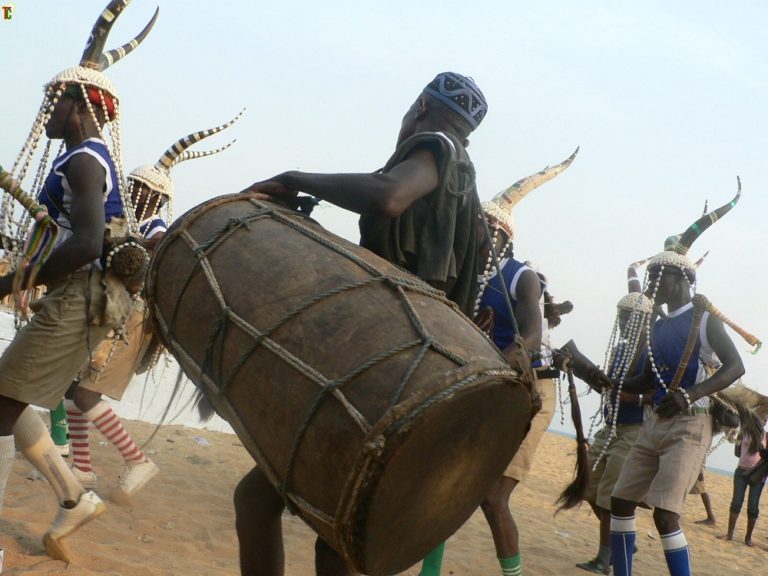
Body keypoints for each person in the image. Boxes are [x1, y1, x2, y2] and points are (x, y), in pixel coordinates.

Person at [238, 71, 488, 576]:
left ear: (420, 106)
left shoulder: (435, 146)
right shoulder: (467, 183)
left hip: (385, 364)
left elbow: (389, 195)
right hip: (412, 363)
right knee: (332, 539)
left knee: (271, 507)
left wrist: (296, 179)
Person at [0, 0, 156, 563]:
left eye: (55, 100)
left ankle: (73, 496)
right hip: (82, 300)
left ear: (82, 103)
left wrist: (12, 281)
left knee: (0, 401)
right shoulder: (84, 160)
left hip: (80, 298)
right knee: (6, 398)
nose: (47, 112)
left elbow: (88, 244)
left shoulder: (85, 161)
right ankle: (72, 495)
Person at [64, 112, 242, 501]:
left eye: (144, 189)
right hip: (107, 312)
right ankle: (82, 466)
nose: (137, 192)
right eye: (134, 185)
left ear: (157, 197)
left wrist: (130, 249)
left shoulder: (157, 229)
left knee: (84, 396)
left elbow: (154, 257)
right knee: (73, 390)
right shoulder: (123, 217)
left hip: (131, 317)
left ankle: (137, 459)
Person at [609, 187, 747, 576]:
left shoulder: (704, 319)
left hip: (689, 426)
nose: (652, 283)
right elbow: (645, 377)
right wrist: (610, 380)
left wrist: (690, 394)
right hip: (654, 424)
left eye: (658, 276)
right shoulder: (657, 324)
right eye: (650, 275)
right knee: (621, 502)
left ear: (682, 277)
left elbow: (736, 367)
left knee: (666, 516)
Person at [576, 290, 653, 575]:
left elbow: (658, 394)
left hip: (634, 429)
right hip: (610, 426)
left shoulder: (651, 353)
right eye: (619, 317)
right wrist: (587, 374)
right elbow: (611, 389)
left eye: (626, 318)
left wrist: (635, 399)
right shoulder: (621, 350)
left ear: (642, 320)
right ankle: (622, 542)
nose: (621, 323)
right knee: (589, 488)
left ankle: (604, 557)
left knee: (610, 493)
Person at [717, 413, 767, 546]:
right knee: (736, 503)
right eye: (762, 418)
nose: (764, 421)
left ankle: (748, 538)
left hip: (757, 474)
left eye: (765, 419)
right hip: (741, 471)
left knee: (753, 506)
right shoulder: (743, 432)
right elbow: (737, 452)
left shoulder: (765, 436)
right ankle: (729, 534)